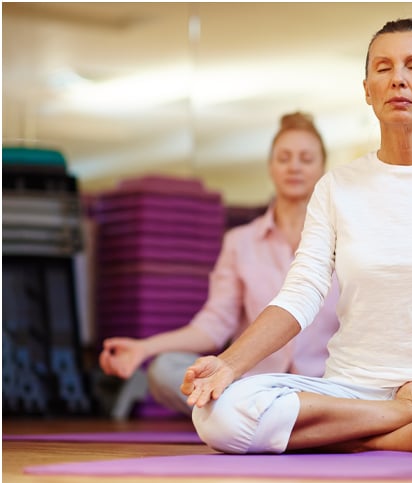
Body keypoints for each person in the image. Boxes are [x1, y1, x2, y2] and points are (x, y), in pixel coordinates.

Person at [181, 18, 412, 457]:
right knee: (219, 414)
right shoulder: (335, 187)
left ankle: (361, 436)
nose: (398, 78)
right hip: (351, 390)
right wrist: (227, 365)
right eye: (383, 67)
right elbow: (300, 293)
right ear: (367, 90)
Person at [99, 112, 340, 415]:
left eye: (306, 159)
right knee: (165, 369)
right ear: (271, 167)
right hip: (252, 386)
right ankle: (275, 419)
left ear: (322, 168)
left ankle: (261, 420)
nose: (294, 166)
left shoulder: (342, 241)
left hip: (324, 387)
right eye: (284, 158)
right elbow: (213, 326)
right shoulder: (240, 242)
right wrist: (144, 349)